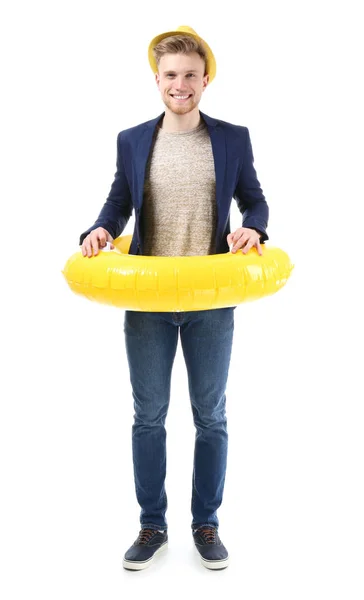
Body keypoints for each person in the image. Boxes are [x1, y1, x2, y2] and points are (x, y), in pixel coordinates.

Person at [79, 25, 269, 571]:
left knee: (210, 416)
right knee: (149, 416)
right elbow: (118, 204)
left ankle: (205, 524)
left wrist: (254, 229)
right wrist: (97, 229)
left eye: (190, 74)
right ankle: (151, 525)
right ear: (156, 79)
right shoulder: (133, 139)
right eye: (170, 75)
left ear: (206, 78)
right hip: (148, 303)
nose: (180, 84)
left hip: (211, 298)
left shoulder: (233, 137)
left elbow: (254, 200)